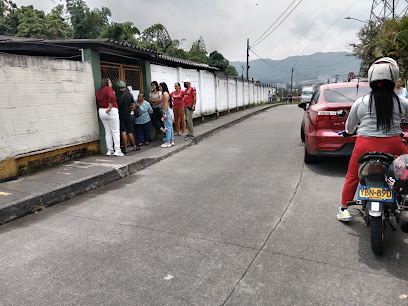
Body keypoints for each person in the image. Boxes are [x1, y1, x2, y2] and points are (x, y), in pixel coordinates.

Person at [338, 57, 408, 221]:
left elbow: (349, 128)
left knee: (352, 176)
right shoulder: (402, 102)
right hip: (394, 145)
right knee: (405, 171)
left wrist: (349, 131)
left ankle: (343, 209)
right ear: (394, 78)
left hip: (364, 145)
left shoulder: (360, 102)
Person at [95, 78, 123, 157]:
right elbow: (111, 97)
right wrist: (110, 107)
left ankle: (109, 150)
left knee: (107, 132)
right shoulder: (109, 89)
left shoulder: (99, 90)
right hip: (110, 110)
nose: (111, 84)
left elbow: (97, 99)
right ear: (107, 83)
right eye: (110, 82)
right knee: (115, 131)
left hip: (101, 110)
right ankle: (117, 150)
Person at [113, 79, 139, 153]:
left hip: (119, 115)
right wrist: (128, 110)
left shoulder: (115, 97)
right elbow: (134, 107)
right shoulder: (129, 96)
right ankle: (134, 146)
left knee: (123, 131)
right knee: (130, 131)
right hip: (127, 115)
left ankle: (125, 148)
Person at [159, 82, 174, 148]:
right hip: (168, 110)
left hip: (166, 110)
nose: (159, 88)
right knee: (170, 126)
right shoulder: (166, 93)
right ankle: (170, 140)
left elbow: (166, 104)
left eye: (160, 87)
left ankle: (168, 141)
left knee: (167, 127)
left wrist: (164, 113)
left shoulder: (165, 93)